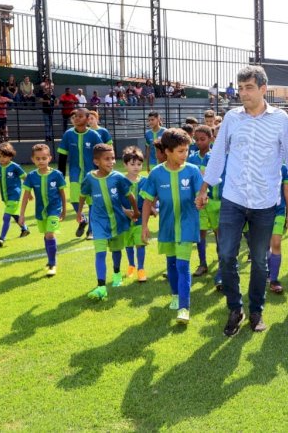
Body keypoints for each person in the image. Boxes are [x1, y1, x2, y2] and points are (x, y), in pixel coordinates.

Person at [197, 65, 288, 337]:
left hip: (265, 202)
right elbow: (218, 155)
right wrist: (205, 187)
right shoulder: (232, 118)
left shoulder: (280, 120)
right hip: (233, 199)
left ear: (263, 89)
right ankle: (235, 308)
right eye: (240, 88)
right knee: (226, 255)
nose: (243, 93)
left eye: (249, 88)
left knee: (258, 260)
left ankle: (256, 310)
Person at [142, 129, 203, 324]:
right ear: (167, 151)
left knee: (183, 266)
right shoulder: (156, 174)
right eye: (180, 151)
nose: (185, 155)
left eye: (186, 150)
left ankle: (184, 308)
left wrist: (202, 200)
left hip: (187, 225)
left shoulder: (192, 171)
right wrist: (144, 226)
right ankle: (176, 295)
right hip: (167, 226)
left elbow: (201, 196)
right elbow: (147, 201)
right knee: (172, 264)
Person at [79, 144, 138, 300]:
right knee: (100, 253)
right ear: (96, 161)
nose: (111, 161)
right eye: (107, 159)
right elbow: (83, 194)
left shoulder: (118, 177)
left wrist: (136, 211)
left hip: (117, 220)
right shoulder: (90, 178)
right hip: (98, 221)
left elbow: (129, 195)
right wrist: (79, 212)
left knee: (116, 251)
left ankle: (117, 273)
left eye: (112, 158)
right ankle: (101, 286)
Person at [18, 144, 67, 277]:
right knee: (46, 235)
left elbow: (62, 193)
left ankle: (52, 264)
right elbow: (26, 196)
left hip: (54, 210)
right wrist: (21, 215)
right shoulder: (31, 176)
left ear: (49, 158)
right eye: (38, 158)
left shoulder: (57, 175)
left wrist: (64, 210)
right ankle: (50, 259)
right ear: (33, 159)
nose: (41, 161)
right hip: (40, 212)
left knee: (50, 234)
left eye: (44, 158)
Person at [57, 108, 104, 240]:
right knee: (74, 200)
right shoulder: (68, 135)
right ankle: (83, 219)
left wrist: (101, 171)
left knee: (91, 203)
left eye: (80, 116)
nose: (77, 118)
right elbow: (62, 156)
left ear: (87, 119)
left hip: (92, 175)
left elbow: (101, 154)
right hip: (75, 174)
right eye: (75, 116)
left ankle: (91, 231)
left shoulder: (94, 135)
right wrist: (61, 175)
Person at [0, 142, 31, 247]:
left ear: (10, 156)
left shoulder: (15, 167)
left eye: (4, 156)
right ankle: (25, 229)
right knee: (14, 214)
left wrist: (29, 192)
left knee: (6, 217)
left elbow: (25, 178)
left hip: (14, 195)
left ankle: (2, 238)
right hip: (5, 196)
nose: (1, 159)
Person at [188, 125, 214, 277]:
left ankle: (222, 263)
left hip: (215, 201)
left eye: (202, 139)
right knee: (200, 233)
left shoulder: (216, 157)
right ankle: (202, 263)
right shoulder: (191, 158)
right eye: (196, 139)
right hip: (198, 202)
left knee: (220, 235)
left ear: (210, 139)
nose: (199, 142)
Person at [121, 146, 148, 283]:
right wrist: (124, 211)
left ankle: (141, 269)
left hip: (140, 220)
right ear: (125, 165)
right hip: (125, 219)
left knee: (140, 244)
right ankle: (131, 265)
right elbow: (114, 200)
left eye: (139, 164)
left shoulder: (145, 181)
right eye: (132, 164)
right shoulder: (120, 181)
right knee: (128, 244)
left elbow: (150, 199)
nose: (136, 167)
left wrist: (153, 209)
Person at [267, 164, 288, 294]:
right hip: (260, 211)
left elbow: (287, 189)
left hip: (278, 211)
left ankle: (274, 280)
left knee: (276, 243)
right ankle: (266, 273)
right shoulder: (258, 163)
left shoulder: (283, 168)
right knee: (264, 246)